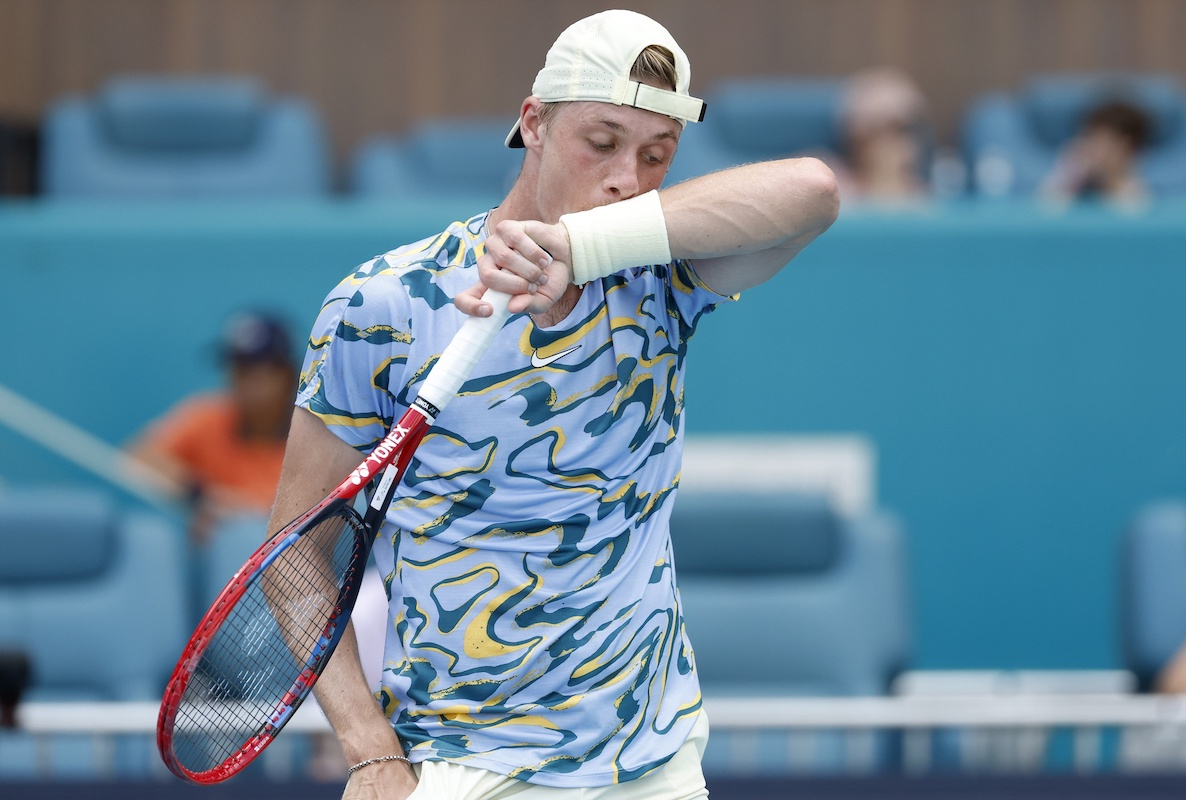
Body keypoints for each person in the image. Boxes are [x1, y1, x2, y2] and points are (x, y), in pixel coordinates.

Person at [272, 9, 839, 798]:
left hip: (650, 764)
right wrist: (370, 751)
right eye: (601, 143)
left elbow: (812, 191)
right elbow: (293, 556)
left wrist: (582, 245)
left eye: (656, 155)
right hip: (457, 762)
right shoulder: (384, 304)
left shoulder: (661, 278)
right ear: (532, 123)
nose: (627, 179)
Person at [128, 310, 296, 543]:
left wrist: (236, 510)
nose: (239, 381)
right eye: (234, 368)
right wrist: (200, 495)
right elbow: (139, 457)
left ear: (285, 375)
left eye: (251, 370)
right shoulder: (209, 415)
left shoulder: (309, 435)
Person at [832, 66, 933, 204]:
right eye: (877, 130)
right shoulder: (831, 187)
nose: (893, 142)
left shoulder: (929, 196)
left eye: (902, 129)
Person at [1040, 98, 1153, 208]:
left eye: (1104, 145)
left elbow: (1135, 212)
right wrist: (1075, 178)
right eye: (1090, 141)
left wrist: (1111, 181)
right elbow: (1046, 205)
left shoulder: (1140, 180)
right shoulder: (1074, 165)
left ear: (1126, 146)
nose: (1094, 151)